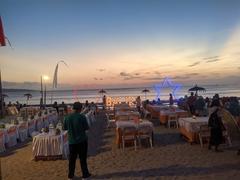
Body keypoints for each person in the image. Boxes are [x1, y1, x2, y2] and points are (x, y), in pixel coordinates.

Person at [64, 102, 91, 179]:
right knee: (83, 159)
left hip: (72, 142)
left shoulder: (67, 117)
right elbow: (86, 128)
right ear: (80, 109)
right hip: (82, 141)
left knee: (72, 160)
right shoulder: (82, 117)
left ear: (73, 108)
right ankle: (85, 175)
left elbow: (65, 128)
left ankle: (70, 176)